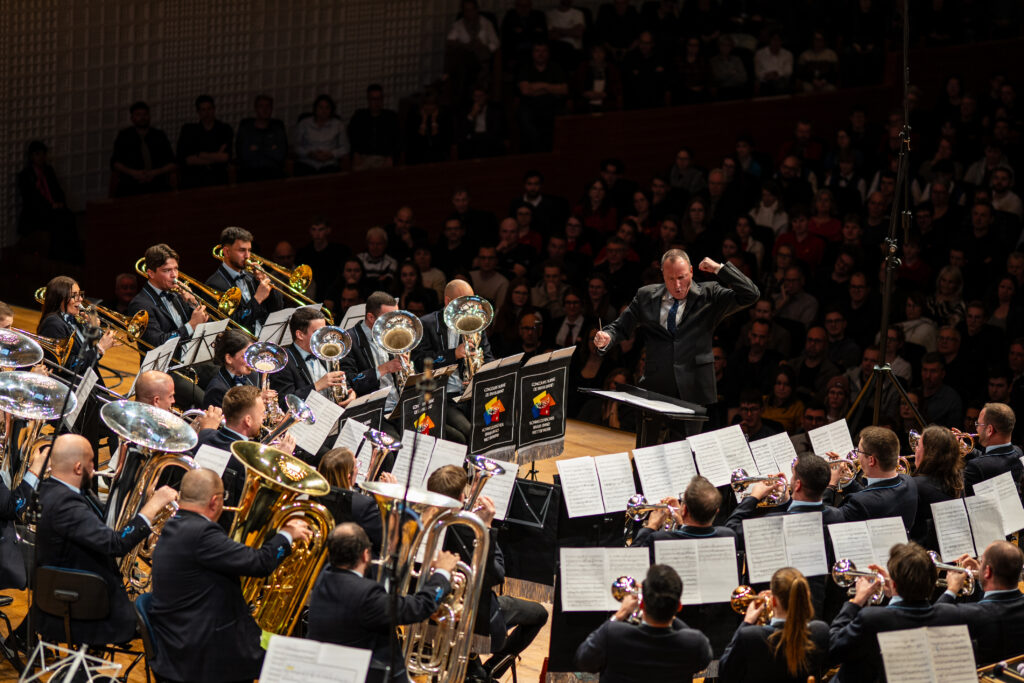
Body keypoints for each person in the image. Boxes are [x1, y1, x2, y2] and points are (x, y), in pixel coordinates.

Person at [147, 469, 311, 683]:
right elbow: (261, 563)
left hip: (179, 640)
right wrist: (286, 534)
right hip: (202, 653)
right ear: (215, 501)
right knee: (292, 664)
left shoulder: (175, 524)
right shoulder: (203, 534)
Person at [33, 434, 178, 646]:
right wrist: (154, 505)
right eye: (91, 462)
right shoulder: (66, 505)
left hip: (70, 598)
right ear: (78, 467)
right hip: (87, 610)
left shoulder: (48, 490)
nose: (95, 468)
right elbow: (116, 544)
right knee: (168, 616)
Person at [595, 249, 759, 434]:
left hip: (693, 388)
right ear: (662, 275)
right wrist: (606, 337)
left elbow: (751, 294)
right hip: (655, 386)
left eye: (682, 277)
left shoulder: (709, 294)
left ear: (691, 271)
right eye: (671, 279)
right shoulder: (646, 296)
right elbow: (620, 327)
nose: (678, 285)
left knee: (685, 452)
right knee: (647, 450)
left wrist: (719, 269)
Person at [426, 465, 547, 679]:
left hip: (431, 608)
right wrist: (487, 528)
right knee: (540, 614)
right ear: (462, 496)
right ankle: (486, 670)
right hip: (475, 616)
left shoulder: (424, 523)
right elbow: (496, 574)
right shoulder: (471, 529)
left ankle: (481, 669)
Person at [305, 522, 458, 683]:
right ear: (365, 555)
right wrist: (442, 573)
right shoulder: (366, 595)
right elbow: (420, 607)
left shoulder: (325, 576)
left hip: (331, 671)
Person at [828, 542, 963, 682]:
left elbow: (834, 647)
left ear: (893, 583)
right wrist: (894, 591)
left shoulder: (872, 619)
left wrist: (856, 601)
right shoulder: (948, 614)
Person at [575, 564, 712, 682]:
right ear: (679, 607)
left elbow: (584, 660)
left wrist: (620, 614)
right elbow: (702, 662)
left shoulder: (612, 633)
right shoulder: (695, 643)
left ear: (641, 605)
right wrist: (668, 609)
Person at [194, 385, 295, 531]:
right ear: (248, 420)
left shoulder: (204, 435)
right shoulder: (250, 460)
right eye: (262, 413)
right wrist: (279, 460)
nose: (264, 417)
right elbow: (260, 508)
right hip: (225, 529)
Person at [413, 279, 496, 444]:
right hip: (442, 396)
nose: (469, 308)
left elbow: (488, 356)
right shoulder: (426, 324)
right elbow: (419, 362)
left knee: (494, 425)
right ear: (448, 301)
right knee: (470, 432)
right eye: (463, 302)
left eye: (471, 301)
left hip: (471, 394)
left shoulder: (475, 323)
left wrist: (481, 369)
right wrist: (453, 354)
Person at [718, 567, 829, 683]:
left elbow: (725, 672)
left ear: (774, 601)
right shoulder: (820, 631)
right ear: (806, 597)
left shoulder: (750, 636)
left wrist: (747, 622)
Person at [936, 540, 1024, 666]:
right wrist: (982, 576)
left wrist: (952, 588)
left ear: (987, 571)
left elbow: (933, 617)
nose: (979, 565)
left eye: (981, 562)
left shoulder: (974, 614)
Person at [823, 426, 919, 530]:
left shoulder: (862, 503)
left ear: (871, 460)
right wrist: (846, 480)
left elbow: (824, 518)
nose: (857, 455)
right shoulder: (909, 481)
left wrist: (831, 484)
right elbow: (874, 496)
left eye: (859, 451)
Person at [269, 306, 352, 410]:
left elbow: (340, 380)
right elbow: (284, 402)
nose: (324, 337)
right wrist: (316, 386)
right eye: (317, 332)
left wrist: (350, 392)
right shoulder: (283, 362)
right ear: (300, 335)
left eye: (324, 331)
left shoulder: (326, 351)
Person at [339, 291, 405, 420]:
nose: (394, 323)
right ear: (370, 317)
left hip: (398, 406)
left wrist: (404, 369)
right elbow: (351, 383)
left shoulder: (392, 334)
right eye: (388, 318)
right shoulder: (348, 341)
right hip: (375, 412)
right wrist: (384, 368)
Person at [205, 226, 282, 333]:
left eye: (249, 250)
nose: (247, 256)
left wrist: (266, 280)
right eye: (242, 250)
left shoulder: (251, 276)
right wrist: (257, 299)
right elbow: (231, 325)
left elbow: (277, 307)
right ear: (226, 252)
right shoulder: (214, 284)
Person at [317, 448, 391, 556]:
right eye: (357, 466)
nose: (358, 470)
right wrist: (389, 500)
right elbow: (384, 540)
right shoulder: (363, 504)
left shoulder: (315, 494)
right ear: (348, 476)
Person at [16, 140, 81, 263]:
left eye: (42, 154)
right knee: (57, 222)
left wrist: (60, 202)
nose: (41, 157)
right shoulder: (26, 175)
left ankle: (72, 256)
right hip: (37, 213)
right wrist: (50, 206)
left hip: (52, 209)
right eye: (37, 154)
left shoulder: (48, 171)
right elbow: (31, 199)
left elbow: (57, 189)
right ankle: (56, 257)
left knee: (69, 217)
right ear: (31, 156)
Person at [909, 426, 962, 549]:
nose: (915, 450)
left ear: (929, 454)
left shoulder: (915, 485)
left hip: (920, 553)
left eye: (918, 446)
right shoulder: (957, 482)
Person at [109, 101, 176, 197]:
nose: (142, 118)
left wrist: (155, 172)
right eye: (138, 115)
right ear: (132, 118)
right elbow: (115, 163)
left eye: (145, 114)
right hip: (131, 183)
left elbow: (172, 163)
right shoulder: (124, 136)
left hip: (157, 182)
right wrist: (134, 173)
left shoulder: (159, 135)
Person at [964, 402, 1024, 493]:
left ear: (989, 430)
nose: (976, 428)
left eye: (978, 424)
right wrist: (966, 448)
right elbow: (992, 459)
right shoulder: (1018, 452)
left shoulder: (975, 467)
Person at [176, 94, 232, 189]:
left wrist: (200, 154)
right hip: (194, 178)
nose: (207, 113)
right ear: (198, 112)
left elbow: (225, 157)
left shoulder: (224, 129)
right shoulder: (189, 130)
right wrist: (215, 157)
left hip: (217, 178)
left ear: (214, 109)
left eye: (209, 109)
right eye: (203, 110)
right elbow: (186, 160)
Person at [235, 94, 288, 182]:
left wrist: (256, 148)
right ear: (255, 109)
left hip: (273, 172)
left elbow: (280, 155)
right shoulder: (246, 130)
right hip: (250, 172)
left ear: (272, 109)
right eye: (261, 106)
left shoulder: (278, 130)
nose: (265, 110)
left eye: (268, 106)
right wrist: (271, 148)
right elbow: (244, 155)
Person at [347, 84, 401, 170]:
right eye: (373, 99)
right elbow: (352, 137)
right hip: (363, 157)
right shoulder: (359, 116)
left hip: (383, 158)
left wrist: (391, 156)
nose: (377, 102)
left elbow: (397, 139)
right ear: (368, 100)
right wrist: (356, 153)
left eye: (379, 99)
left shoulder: (390, 117)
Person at [294, 93, 349, 175]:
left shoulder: (338, 125)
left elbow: (345, 148)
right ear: (315, 109)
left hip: (329, 163)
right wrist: (310, 153)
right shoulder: (304, 123)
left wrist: (331, 154)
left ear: (331, 110)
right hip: (307, 162)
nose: (324, 111)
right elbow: (296, 146)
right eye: (321, 107)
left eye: (327, 108)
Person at [202, 329, 257, 408]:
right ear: (229, 359)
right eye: (245, 356)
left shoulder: (252, 377)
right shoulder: (217, 390)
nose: (251, 361)